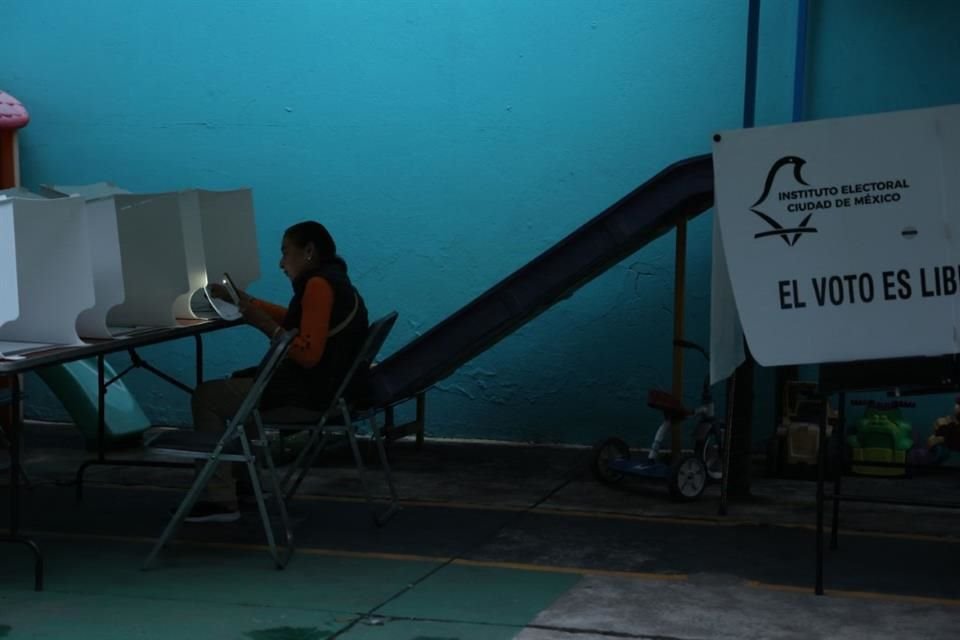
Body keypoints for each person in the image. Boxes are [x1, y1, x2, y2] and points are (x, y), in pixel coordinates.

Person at [186, 221, 369, 523]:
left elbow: (308, 355)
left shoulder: (317, 286)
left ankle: (218, 499)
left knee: (207, 395)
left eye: (286, 253)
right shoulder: (335, 281)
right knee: (239, 386)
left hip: (308, 397)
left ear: (308, 251)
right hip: (333, 392)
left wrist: (262, 324)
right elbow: (298, 320)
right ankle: (246, 486)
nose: (281, 263)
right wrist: (249, 303)